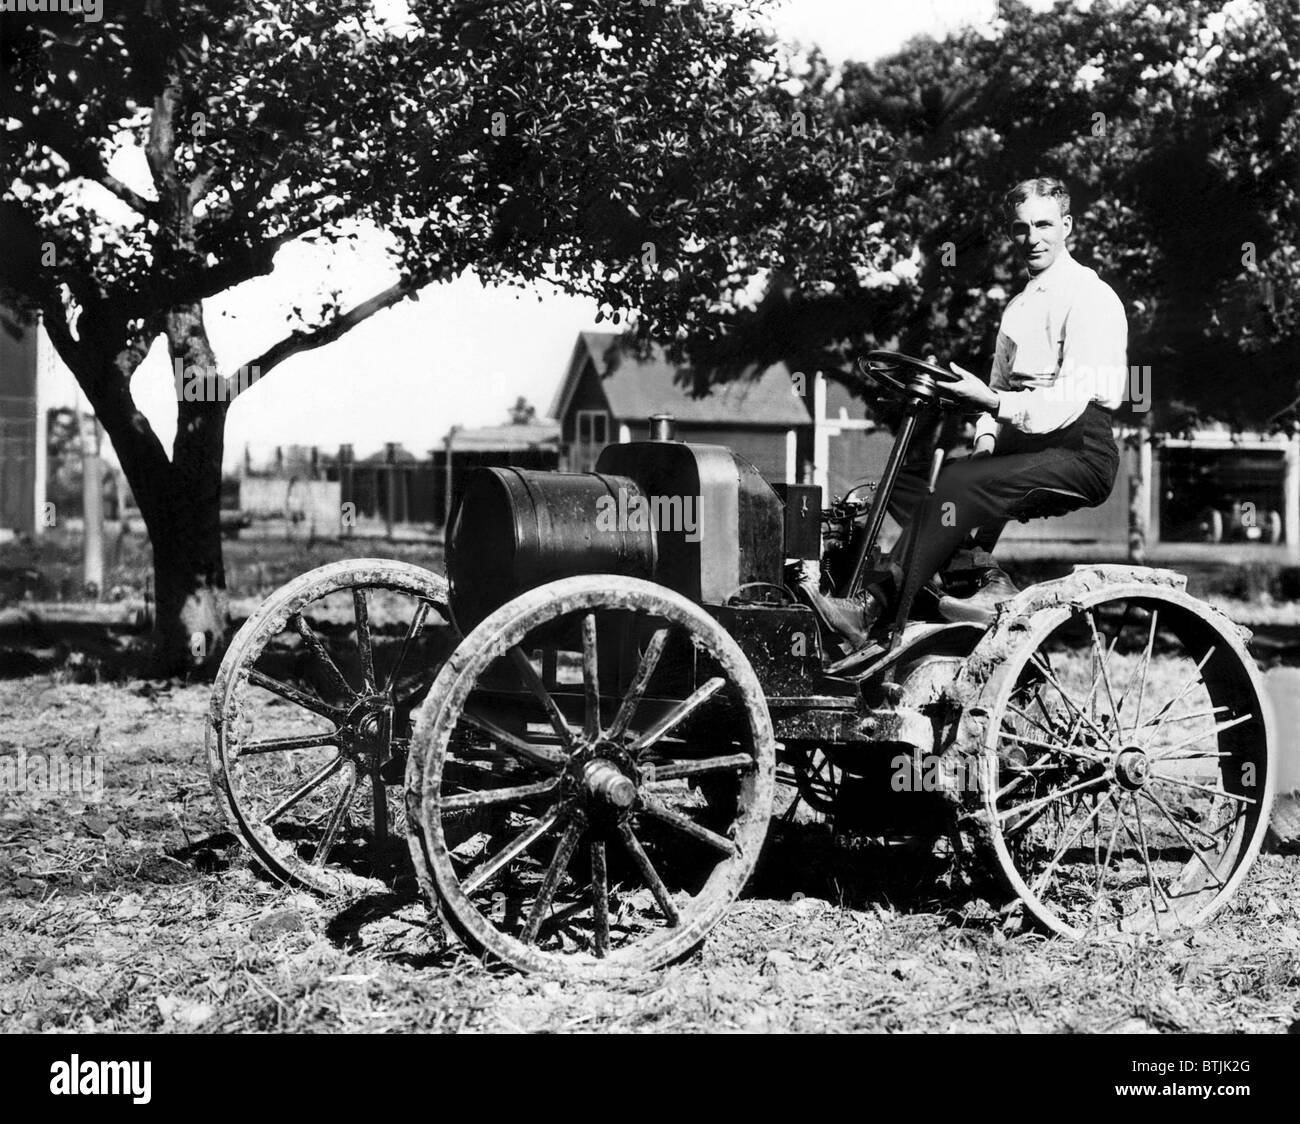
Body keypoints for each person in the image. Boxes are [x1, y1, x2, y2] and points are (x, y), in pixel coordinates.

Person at [800, 176, 1128, 664]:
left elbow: (1065, 403)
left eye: (1043, 225)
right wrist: (986, 439)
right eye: (1020, 228)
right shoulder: (1018, 308)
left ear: (1067, 226)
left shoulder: (1092, 297)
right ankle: (979, 574)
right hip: (1023, 441)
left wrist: (992, 405)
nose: (1032, 238)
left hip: (1079, 449)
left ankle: (869, 609)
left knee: (957, 485)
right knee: (903, 484)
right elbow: (998, 385)